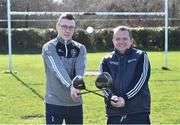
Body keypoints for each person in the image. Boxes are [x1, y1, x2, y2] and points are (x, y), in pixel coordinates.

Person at [99, 26, 151, 124]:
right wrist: (112, 96)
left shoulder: (141, 56)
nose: (121, 42)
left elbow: (141, 81)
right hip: (114, 113)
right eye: (118, 39)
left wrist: (125, 98)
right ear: (113, 41)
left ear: (131, 40)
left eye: (125, 38)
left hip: (138, 111)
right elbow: (104, 84)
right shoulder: (106, 60)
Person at [42, 12, 86, 124]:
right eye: (64, 26)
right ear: (57, 26)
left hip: (75, 102)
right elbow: (57, 69)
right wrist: (72, 85)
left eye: (71, 27)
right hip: (54, 102)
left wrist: (76, 84)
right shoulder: (49, 47)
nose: (67, 30)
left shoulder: (80, 48)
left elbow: (80, 70)